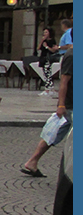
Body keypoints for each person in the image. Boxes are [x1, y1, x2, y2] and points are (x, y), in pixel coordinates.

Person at [21, 47, 72, 177]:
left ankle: (32, 162)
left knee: (53, 133)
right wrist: (61, 104)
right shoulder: (72, 56)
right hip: (71, 105)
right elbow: (64, 82)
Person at [37, 25, 59, 95]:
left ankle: (48, 89)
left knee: (48, 73)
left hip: (48, 58)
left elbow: (53, 50)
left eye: (46, 32)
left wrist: (46, 47)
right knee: (45, 73)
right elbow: (38, 48)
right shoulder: (44, 41)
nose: (45, 33)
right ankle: (50, 88)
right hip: (43, 57)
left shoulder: (52, 40)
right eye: (44, 32)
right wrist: (42, 41)